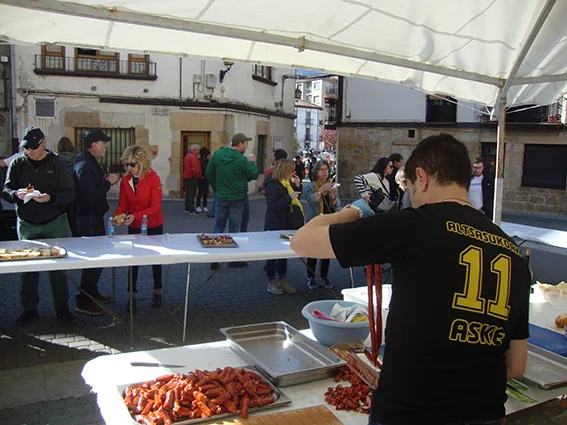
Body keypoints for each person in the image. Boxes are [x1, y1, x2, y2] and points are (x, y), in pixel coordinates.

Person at [290, 133, 529, 425]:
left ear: (422, 178)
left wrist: (353, 210)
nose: (412, 200)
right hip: (485, 413)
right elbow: (516, 365)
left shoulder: (414, 224)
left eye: (411, 190)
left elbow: (302, 241)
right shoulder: (513, 252)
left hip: (410, 410)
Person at [2, 126, 78, 326]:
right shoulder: (18, 162)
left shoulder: (57, 163)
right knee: (28, 268)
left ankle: (62, 309)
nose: (30, 151)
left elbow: (69, 193)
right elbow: (6, 190)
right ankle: (29, 310)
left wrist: (50, 198)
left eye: (33, 147)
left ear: (44, 143)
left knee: (58, 269)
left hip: (54, 223)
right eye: (26, 148)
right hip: (27, 224)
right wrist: (15, 194)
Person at [73, 129, 119, 315]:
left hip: (93, 216)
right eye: (103, 142)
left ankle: (91, 293)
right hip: (89, 218)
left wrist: (105, 181)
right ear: (94, 145)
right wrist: (108, 182)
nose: (106, 146)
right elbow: (89, 195)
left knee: (97, 258)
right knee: (93, 259)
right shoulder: (84, 164)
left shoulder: (89, 161)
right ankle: (84, 301)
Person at [113, 145, 164, 312]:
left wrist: (136, 215)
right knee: (133, 262)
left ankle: (157, 292)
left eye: (132, 164)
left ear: (142, 163)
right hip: (135, 226)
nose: (129, 168)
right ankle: (132, 295)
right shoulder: (126, 180)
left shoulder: (153, 178)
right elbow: (123, 204)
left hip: (153, 224)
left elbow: (155, 207)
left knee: (155, 260)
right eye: (127, 164)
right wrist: (118, 217)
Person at [206, 133, 258, 269]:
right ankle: (233, 259)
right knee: (234, 229)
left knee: (218, 226)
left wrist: (216, 188)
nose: (247, 146)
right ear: (240, 144)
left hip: (221, 197)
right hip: (237, 198)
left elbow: (208, 172)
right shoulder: (242, 160)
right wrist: (253, 162)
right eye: (246, 143)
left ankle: (214, 258)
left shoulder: (218, 154)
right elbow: (254, 175)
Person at [263, 158, 302, 295]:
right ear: (285, 171)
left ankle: (283, 281)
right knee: (272, 253)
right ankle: (271, 282)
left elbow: (295, 198)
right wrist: (289, 198)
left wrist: (298, 186)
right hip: (274, 223)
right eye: (291, 170)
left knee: (283, 253)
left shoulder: (287, 183)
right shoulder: (272, 185)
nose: (293, 173)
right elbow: (273, 206)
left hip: (286, 222)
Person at [303, 160, 340, 289]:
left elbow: (337, 204)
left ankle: (324, 276)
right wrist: (320, 191)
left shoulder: (331, 185)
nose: (324, 172)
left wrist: (333, 197)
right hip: (315, 220)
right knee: (313, 250)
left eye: (326, 169)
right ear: (316, 172)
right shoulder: (311, 186)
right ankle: (311, 277)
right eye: (321, 170)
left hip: (328, 221)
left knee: (326, 251)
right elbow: (310, 200)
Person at [56, 136, 80, 237]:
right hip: (75, 192)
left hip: (61, 193)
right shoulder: (78, 158)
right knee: (75, 224)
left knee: (58, 222)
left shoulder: (56, 159)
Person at [183, 144, 202, 216]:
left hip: (187, 176)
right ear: (194, 150)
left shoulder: (187, 156)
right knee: (192, 194)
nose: (199, 151)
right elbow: (195, 168)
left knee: (188, 193)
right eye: (198, 149)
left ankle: (187, 208)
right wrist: (198, 175)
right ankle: (191, 210)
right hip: (192, 177)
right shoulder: (193, 157)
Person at [195, 147, 211, 214]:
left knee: (205, 192)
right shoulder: (199, 161)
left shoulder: (208, 161)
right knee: (200, 192)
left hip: (206, 178)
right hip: (201, 178)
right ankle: (198, 206)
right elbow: (199, 169)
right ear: (204, 155)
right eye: (208, 154)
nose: (209, 156)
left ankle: (205, 205)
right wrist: (201, 176)